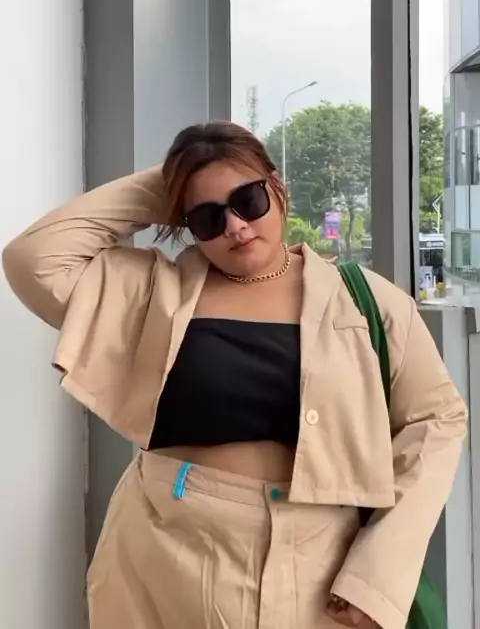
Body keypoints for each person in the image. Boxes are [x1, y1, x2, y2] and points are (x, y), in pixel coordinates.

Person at [2, 121, 467, 629]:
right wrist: (174, 180)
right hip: (164, 551)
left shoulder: (365, 299)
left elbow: (437, 420)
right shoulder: (151, 292)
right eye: (207, 217)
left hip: (319, 561)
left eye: (249, 199)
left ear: (278, 188)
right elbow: (33, 260)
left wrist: (379, 571)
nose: (235, 226)